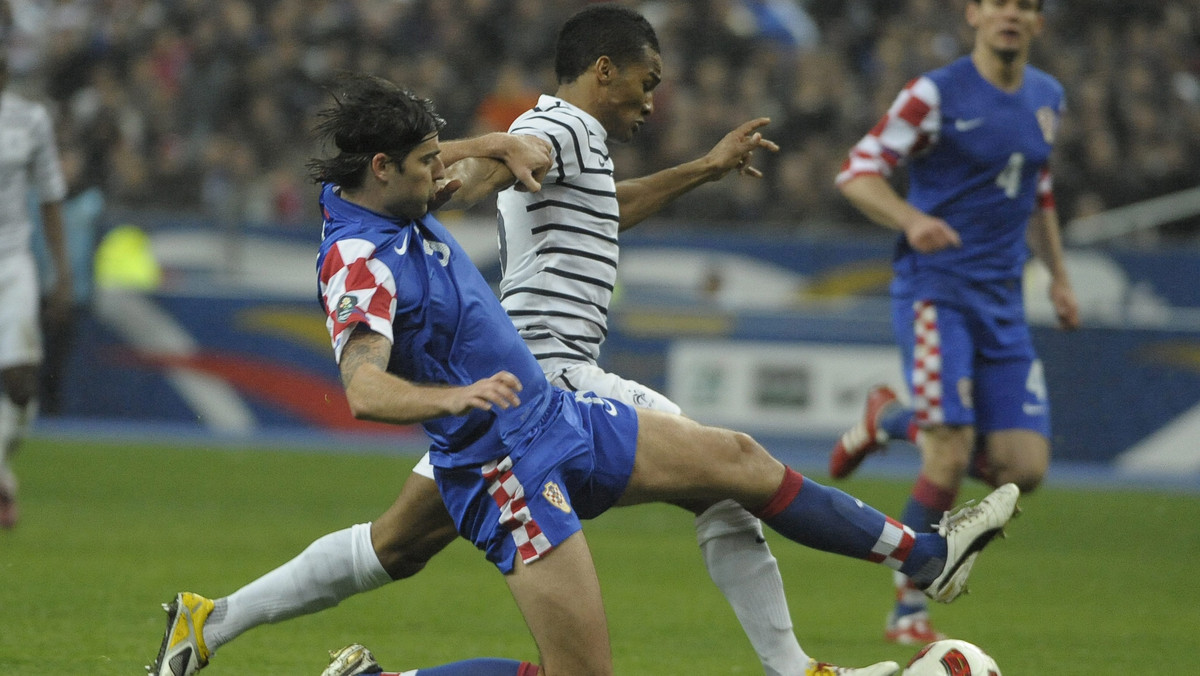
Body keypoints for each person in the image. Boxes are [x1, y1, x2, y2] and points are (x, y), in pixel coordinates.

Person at [149, 69, 1020, 676]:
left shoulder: (403, 198)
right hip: (503, 463)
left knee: (738, 465)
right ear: (383, 171)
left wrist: (496, 147)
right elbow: (363, 389)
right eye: (425, 164)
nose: (443, 171)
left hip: (558, 421)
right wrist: (456, 395)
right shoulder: (358, 263)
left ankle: (924, 557)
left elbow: (468, 157)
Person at [827, 0, 1079, 646]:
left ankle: (885, 418)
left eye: (1026, 6)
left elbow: (1038, 189)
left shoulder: (1049, 96)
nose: (1012, 15)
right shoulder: (933, 93)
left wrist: (1058, 275)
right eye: (999, 3)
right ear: (974, 13)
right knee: (949, 452)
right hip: (936, 292)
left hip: (1003, 302)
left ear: (1038, 23)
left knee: (1024, 469)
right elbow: (857, 173)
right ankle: (907, 605)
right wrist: (911, 220)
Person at [0, 51, 72, 529]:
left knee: (22, 379)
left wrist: (62, 272)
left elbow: (49, 195)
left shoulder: (29, 119)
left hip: (11, 260)